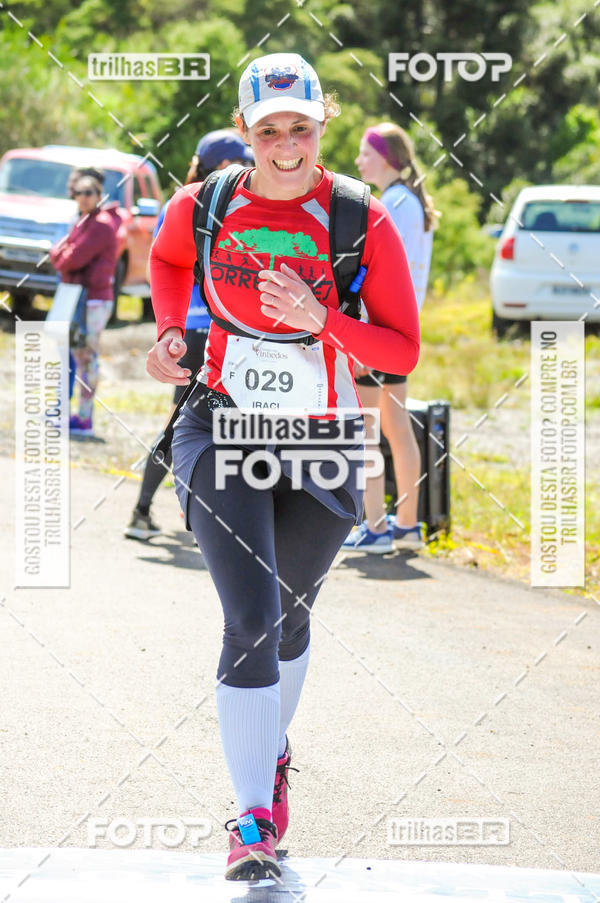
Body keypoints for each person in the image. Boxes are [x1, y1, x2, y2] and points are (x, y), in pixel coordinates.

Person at [146, 53, 419, 881]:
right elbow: (166, 262)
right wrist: (168, 333)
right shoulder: (205, 205)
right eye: (269, 130)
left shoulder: (357, 219)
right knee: (253, 616)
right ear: (245, 132)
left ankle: (267, 753)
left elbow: (402, 348)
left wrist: (323, 317)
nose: (286, 145)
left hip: (326, 439)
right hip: (219, 427)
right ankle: (252, 821)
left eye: (300, 127)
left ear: (322, 124)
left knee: (292, 617)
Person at [125, 130, 253, 540]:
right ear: (221, 166)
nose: (251, 168)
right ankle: (156, 512)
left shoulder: (179, 201)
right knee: (194, 426)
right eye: (242, 161)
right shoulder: (215, 202)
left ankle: (148, 511)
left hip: (192, 331)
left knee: (190, 423)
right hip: (206, 332)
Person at [343, 122, 437, 553]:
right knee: (396, 428)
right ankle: (406, 526)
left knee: (366, 428)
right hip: (400, 329)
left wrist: (359, 335)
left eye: (365, 152)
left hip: (379, 331)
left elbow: (374, 275)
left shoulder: (393, 204)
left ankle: (376, 528)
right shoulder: (410, 201)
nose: (359, 160)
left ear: (385, 157)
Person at [50, 174, 118, 437]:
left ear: (99, 194)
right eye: (79, 192)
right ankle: (79, 416)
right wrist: (62, 253)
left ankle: (85, 420)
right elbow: (60, 254)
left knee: (86, 358)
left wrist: (62, 253)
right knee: (80, 356)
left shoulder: (100, 225)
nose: (83, 197)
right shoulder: (84, 221)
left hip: (94, 301)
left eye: (89, 192)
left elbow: (70, 259)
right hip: (81, 298)